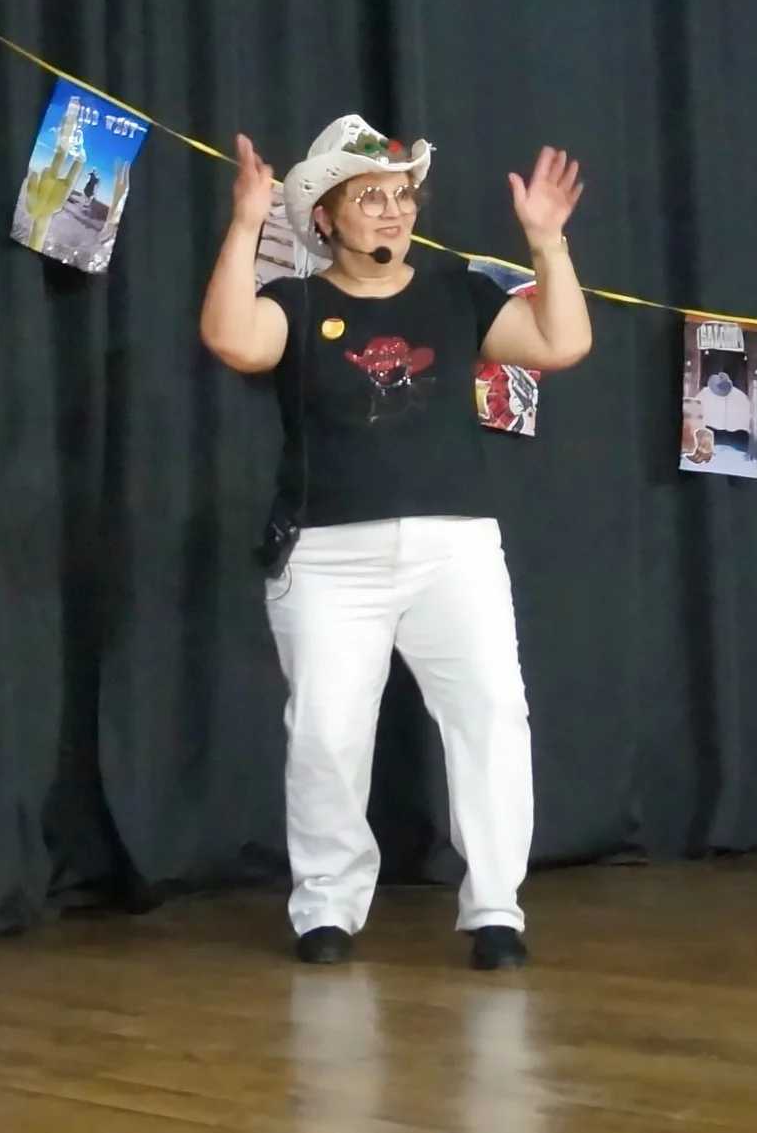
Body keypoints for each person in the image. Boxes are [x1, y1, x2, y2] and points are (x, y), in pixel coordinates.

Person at [198, 116, 592, 971]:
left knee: (491, 712)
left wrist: (547, 244)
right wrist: (246, 222)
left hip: (455, 547)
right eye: (369, 195)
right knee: (326, 732)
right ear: (325, 216)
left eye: (401, 193)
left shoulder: (457, 291)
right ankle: (327, 908)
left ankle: (496, 907)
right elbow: (231, 337)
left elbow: (560, 342)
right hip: (327, 556)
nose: (392, 208)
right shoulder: (295, 302)